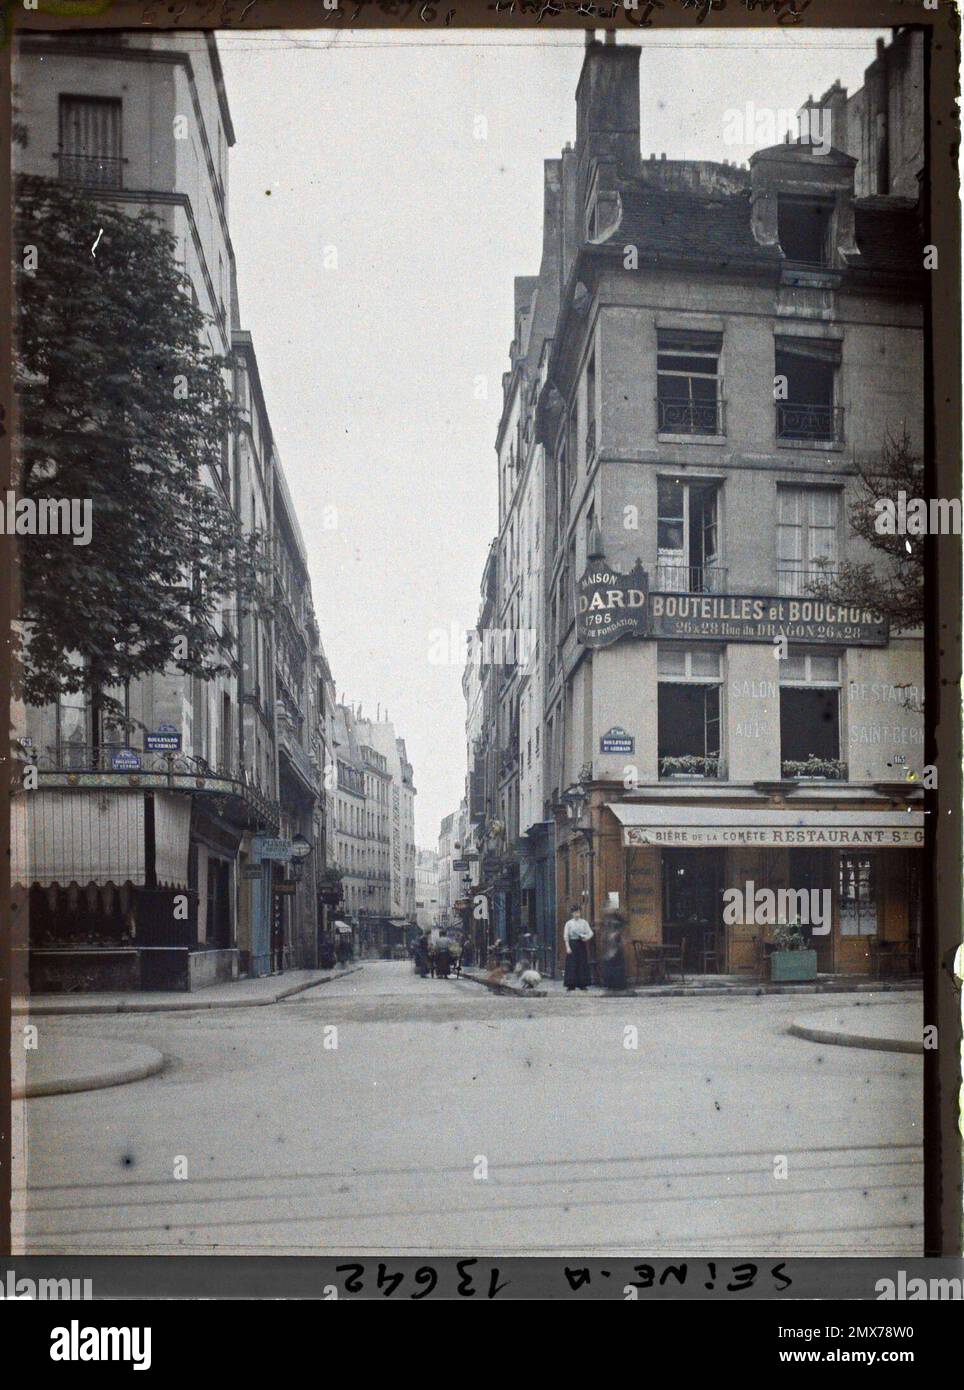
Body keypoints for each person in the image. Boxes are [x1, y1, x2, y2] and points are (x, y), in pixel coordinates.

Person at [563, 903, 593, 991]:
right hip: (572, 944)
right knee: (572, 964)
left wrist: (586, 938)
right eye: (575, 913)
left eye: (578, 912)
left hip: (581, 944)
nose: (577, 914)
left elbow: (590, 933)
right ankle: (571, 984)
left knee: (582, 963)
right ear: (572, 913)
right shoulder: (568, 923)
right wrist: (567, 947)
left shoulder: (584, 922)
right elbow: (566, 936)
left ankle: (582, 984)